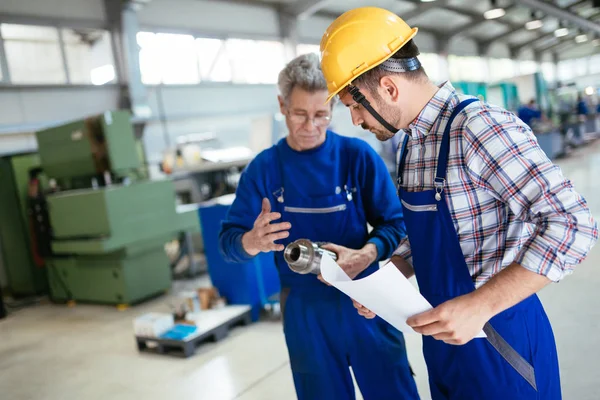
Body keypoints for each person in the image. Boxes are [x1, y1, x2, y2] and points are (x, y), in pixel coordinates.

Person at [319, 7, 598, 400]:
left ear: (388, 88)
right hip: (445, 343)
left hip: (503, 345)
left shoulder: (479, 128)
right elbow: (431, 235)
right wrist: (387, 281)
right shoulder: (412, 143)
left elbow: (574, 225)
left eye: (355, 105)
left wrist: (480, 306)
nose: (355, 120)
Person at [218, 53, 419, 400]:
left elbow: (396, 224)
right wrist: (251, 240)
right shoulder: (263, 170)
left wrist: (367, 253)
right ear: (282, 106)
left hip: (365, 302)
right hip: (305, 313)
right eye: (300, 114)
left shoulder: (358, 157)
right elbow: (228, 243)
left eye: (321, 115)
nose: (311, 125)